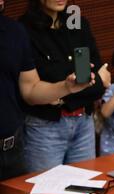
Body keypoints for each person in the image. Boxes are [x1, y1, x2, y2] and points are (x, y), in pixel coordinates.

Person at [0, 0, 95, 181]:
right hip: (43, 127)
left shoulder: (14, 32)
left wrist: (66, 87)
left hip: (11, 148)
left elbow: (30, 89)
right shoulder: (27, 27)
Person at [19, 0, 111, 172]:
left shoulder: (79, 24)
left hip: (83, 121)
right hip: (45, 125)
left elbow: (101, 83)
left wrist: (56, 92)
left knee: (84, 189)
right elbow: (32, 92)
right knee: (46, 192)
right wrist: (79, 84)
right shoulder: (24, 29)